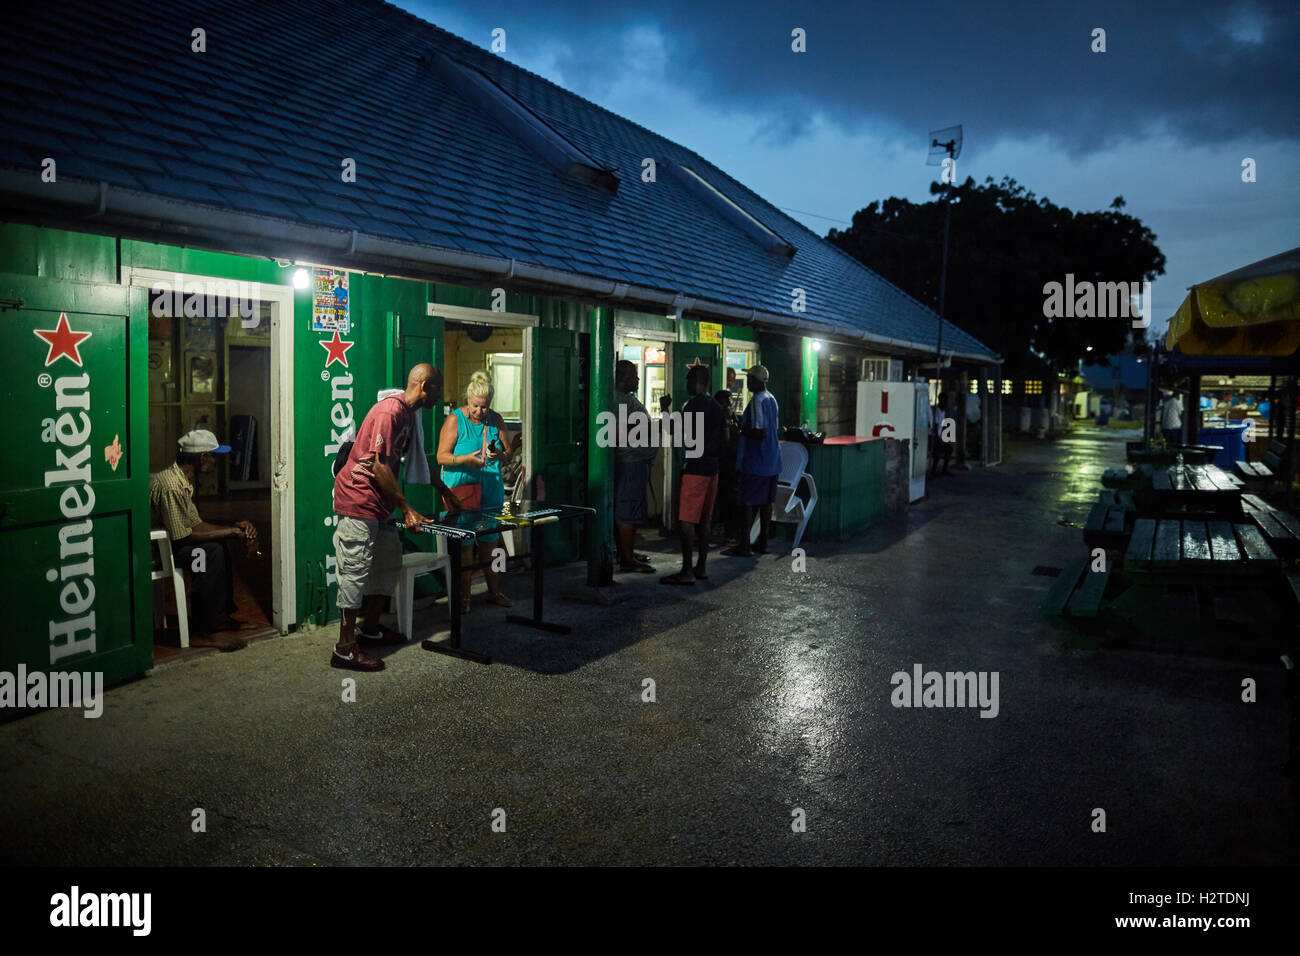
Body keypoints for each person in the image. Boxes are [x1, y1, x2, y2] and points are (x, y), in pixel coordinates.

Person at [331, 364, 459, 672]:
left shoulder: (409, 415)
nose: (439, 396)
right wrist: (407, 508)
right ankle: (344, 649)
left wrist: (443, 489)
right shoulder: (390, 412)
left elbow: (415, 458)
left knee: (388, 563)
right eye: (438, 389)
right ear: (425, 385)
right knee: (354, 572)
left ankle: (370, 628)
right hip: (358, 500)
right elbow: (380, 467)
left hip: (381, 503)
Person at [149, 430, 260, 651]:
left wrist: (234, 529)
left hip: (171, 542)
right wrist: (232, 532)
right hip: (156, 552)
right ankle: (202, 631)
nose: (215, 461)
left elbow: (196, 525)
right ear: (202, 459)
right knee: (206, 553)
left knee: (218, 544)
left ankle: (219, 619)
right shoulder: (172, 485)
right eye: (213, 456)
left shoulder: (183, 479)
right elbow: (185, 535)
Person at [437, 370, 514, 613]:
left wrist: (499, 455)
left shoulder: (496, 419)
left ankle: (494, 591)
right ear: (468, 398)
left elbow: (508, 452)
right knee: (466, 545)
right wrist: (465, 459)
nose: (480, 412)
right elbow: (441, 456)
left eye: (484, 407)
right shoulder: (454, 420)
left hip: (491, 487)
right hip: (462, 490)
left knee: (491, 542)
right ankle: (465, 597)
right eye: (475, 406)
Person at [662, 364, 725, 585]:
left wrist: (664, 409)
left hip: (695, 468)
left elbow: (673, 431)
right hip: (712, 468)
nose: (686, 384)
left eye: (688, 379)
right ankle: (701, 567)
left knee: (686, 520)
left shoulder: (692, 406)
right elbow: (724, 438)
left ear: (695, 380)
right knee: (705, 520)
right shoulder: (717, 406)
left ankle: (687, 571)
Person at [724, 364, 781, 557]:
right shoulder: (771, 399)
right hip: (772, 459)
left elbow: (760, 432)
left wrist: (740, 428)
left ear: (756, 381)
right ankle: (762, 541)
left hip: (757, 459)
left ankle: (745, 544)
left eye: (749, 379)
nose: (747, 382)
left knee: (747, 502)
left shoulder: (757, 400)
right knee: (766, 502)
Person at [613, 360, 659, 573]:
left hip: (637, 463)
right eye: (634, 375)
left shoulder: (627, 399)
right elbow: (618, 431)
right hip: (630, 464)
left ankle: (627, 552)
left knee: (633, 510)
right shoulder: (619, 401)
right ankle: (627, 559)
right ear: (623, 377)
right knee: (627, 512)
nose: (638, 379)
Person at [713, 388, 739, 542]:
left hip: (731, 464)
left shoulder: (733, 419)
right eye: (726, 403)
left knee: (730, 498)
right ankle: (724, 529)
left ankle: (730, 531)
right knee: (724, 498)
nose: (729, 406)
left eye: (730, 403)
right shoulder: (717, 418)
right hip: (721, 462)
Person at [930, 391, 953, 477]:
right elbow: (935, 427)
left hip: (939, 436)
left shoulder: (943, 411)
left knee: (949, 449)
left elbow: (943, 426)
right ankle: (933, 470)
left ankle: (944, 469)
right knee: (938, 450)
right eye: (946, 401)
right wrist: (939, 438)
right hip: (933, 437)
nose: (947, 403)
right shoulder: (936, 411)